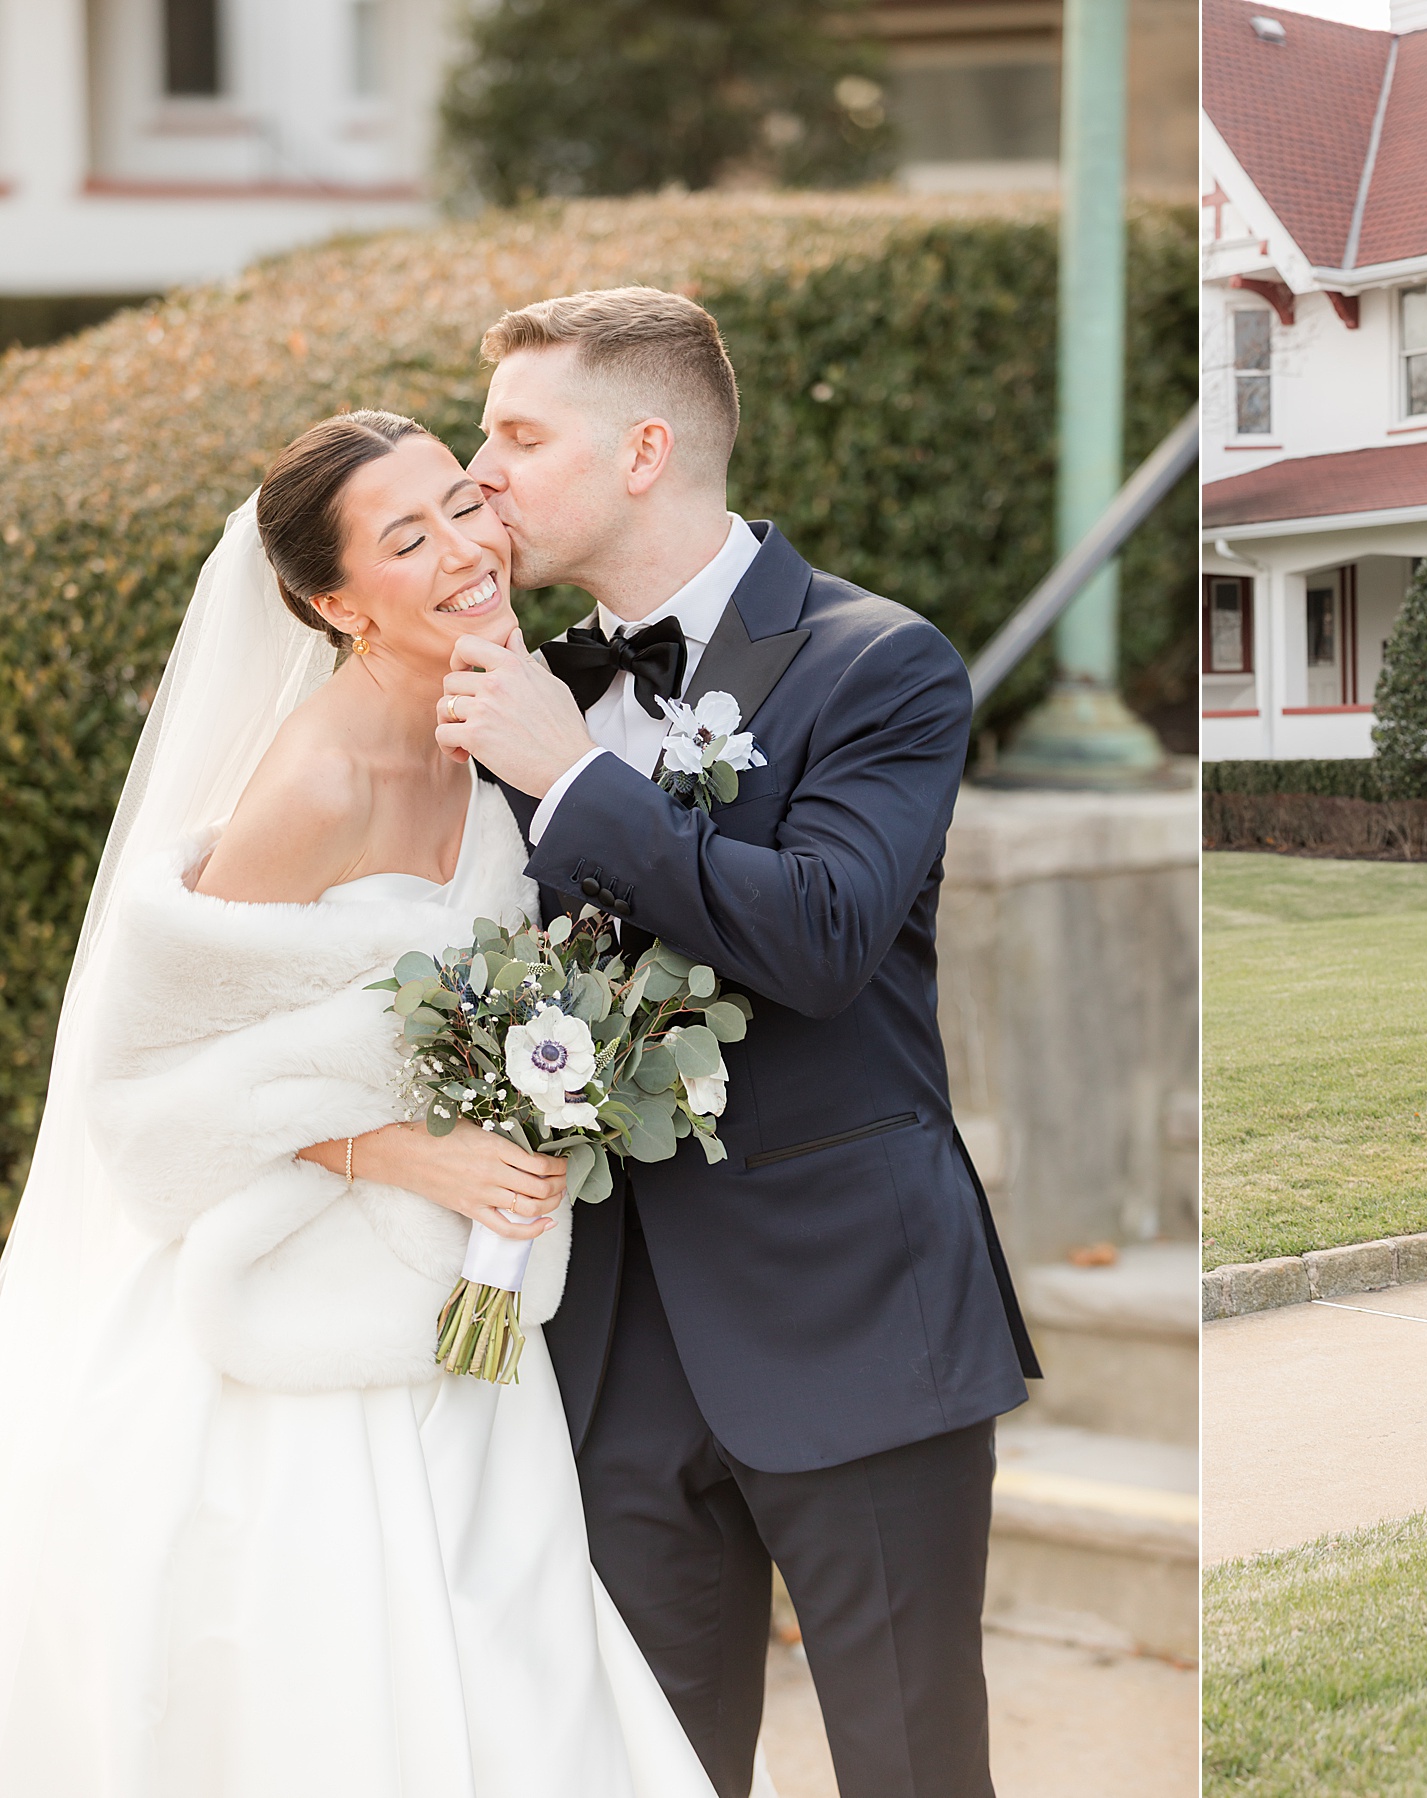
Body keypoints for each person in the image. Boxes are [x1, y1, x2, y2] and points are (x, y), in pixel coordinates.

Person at [0, 413, 716, 1794]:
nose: (466, 550)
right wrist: (408, 1150)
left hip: (462, 1320)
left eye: (465, 503)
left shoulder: (498, 720)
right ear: (334, 603)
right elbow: (143, 1100)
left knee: (521, 1665)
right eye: (408, 538)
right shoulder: (312, 784)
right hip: (295, 1329)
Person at [434, 287, 1039, 1798]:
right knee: (646, 1770)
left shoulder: (877, 660)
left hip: (852, 1317)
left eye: (516, 433)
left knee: (911, 1766)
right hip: (608, 1346)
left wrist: (572, 777)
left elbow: (825, 935)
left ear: (645, 449)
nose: (479, 472)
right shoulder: (526, 688)